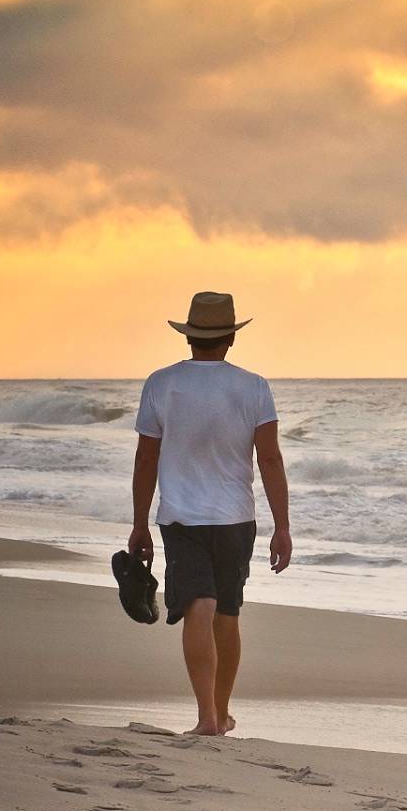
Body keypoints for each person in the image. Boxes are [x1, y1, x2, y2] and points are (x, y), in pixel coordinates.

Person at [128, 291, 291, 736]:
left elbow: (146, 459)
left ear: (189, 337)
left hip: (181, 517)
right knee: (228, 613)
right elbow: (270, 459)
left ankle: (207, 717)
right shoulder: (253, 386)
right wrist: (283, 528)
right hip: (236, 517)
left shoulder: (161, 383)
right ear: (231, 339)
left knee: (200, 606)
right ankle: (219, 713)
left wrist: (140, 522)